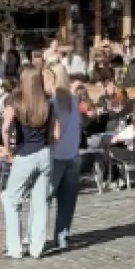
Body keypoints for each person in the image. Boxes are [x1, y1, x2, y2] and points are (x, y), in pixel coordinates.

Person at [1, 66, 57, 260]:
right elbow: (56, 133)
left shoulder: (15, 100)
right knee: (41, 202)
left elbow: (6, 128)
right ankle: (36, 247)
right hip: (45, 153)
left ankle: (15, 248)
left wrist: (7, 149)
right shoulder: (48, 101)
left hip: (25, 154)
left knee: (11, 199)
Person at [47, 64, 82, 250]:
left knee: (45, 197)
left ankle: (35, 236)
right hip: (72, 153)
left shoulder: (52, 101)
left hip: (56, 154)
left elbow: (53, 130)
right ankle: (62, 236)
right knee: (67, 201)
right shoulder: (74, 101)